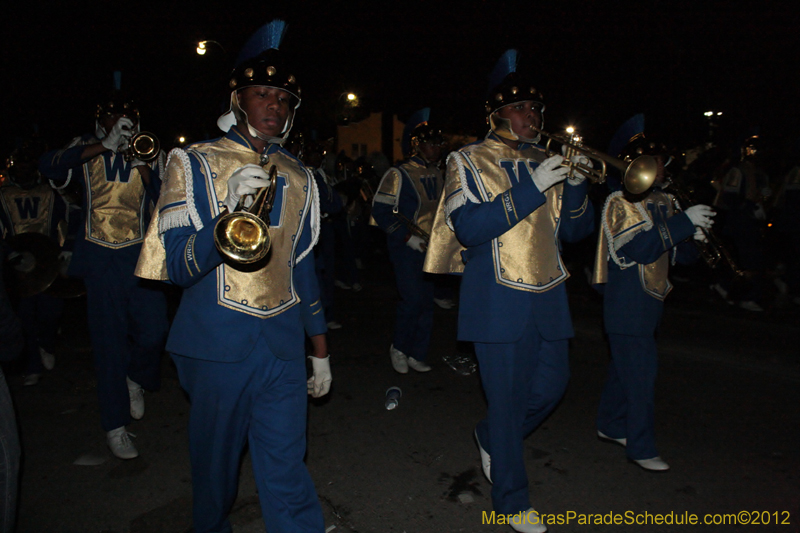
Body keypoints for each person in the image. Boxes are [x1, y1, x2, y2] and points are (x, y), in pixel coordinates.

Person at [135, 20, 331, 533]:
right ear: (238, 99)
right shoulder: (194, 162)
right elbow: (176, 268)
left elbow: (300, 265)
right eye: (262, 94)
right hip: (216, 345)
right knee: (216, 475)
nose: (275, 106)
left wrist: (320, 348)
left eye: (285, 99)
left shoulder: (300, 175)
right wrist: (227, 215)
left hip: (283, 345)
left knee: (287, 467)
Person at [424, 50, 594, 533]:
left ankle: (491, 437)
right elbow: (470, 228)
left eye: (537, 110)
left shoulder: (550, 161)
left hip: (549, 296)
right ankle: (511, 501)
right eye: (521, 109)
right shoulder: (467, 160)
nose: (532, 117)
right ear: (497, 114)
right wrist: (531, 187)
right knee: (507, 401)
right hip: (496, 299)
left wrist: (577, 186)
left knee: (553, 387)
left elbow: (577, 234)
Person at [39, 81, 169, 459]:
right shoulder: (83, 147)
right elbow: (49, 164)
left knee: (155, 329)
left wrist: (145, 169)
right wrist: (103, 146)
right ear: (101, 120)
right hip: (99, 259)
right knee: (108, 344)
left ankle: (136, 377)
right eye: (113, 115)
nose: (120, 121)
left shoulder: (152, 149)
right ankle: (115, 426)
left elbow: (168, 201)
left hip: (139, 256)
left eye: (126, 116)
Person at [592, 125, 715, 472]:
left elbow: (680, 257)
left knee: (624, 371)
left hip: (651, 302)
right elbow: (641, 249)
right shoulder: (620, 202)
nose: (663, 168)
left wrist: (696, 236)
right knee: (642, 377)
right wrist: (682, 224)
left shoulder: (665, 200)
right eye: (655, 161)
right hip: (627, 305)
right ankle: (641, 448)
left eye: (663, 161)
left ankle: (611, 425)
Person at [372, 108, 444, 374]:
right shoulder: (398, 174)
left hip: (430, 247)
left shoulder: (438, 172)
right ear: (417, 145)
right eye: (429, 143)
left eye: (438, 144)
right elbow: (380, 211)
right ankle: (399, 348)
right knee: (412, 300)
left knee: (426, 303)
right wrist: (406, 237)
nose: (435, 148)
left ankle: (417, 352)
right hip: (406, 246)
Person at [710, 135, 770, 311]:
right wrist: (749, 207)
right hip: (739, 222)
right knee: (744, 261)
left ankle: (736, 292)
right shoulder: (739, 171)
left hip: (752, 222)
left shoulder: (759, 173)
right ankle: (738, 293)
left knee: (750, 260)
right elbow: (729, 197)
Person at [305, 142, 345, 329]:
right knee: (315, 275)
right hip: (316, 228)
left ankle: (326, 315)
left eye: (319, 153)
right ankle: (319, 318)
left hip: (326, 227)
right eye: (313, 153)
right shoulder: (307, 173)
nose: (317, 157)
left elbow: (335, 202)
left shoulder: (322, 174)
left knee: (327, 272)